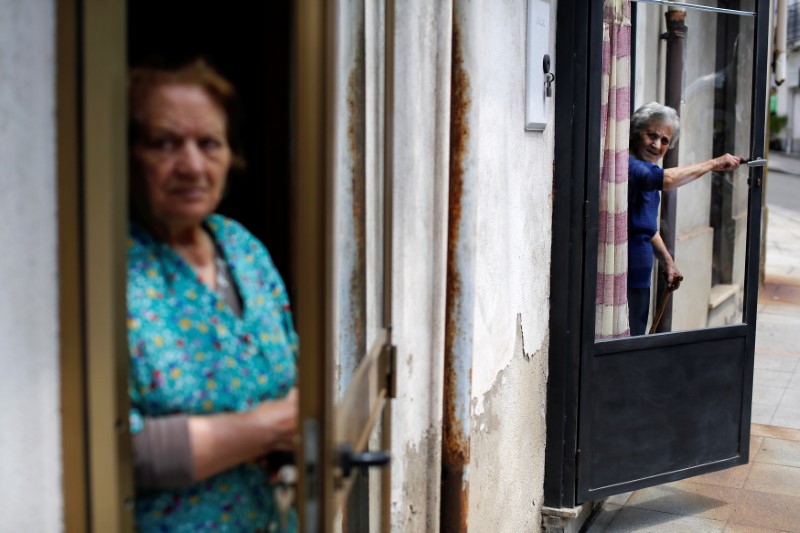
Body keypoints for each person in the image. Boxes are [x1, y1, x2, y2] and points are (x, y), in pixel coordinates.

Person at [127, 59, 298, 531]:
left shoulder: (240, 246)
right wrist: (269, 428)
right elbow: (119, 450)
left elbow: (294, 372)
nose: (192, 165)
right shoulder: (107, 271)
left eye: (209, 143)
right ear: (127, 153)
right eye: (165, 143)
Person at [627, 102, 743, 336]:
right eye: (651, 135)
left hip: (639, 278)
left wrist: (668, 262)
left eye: (665, 141)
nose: (657, 145)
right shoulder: (629, 166)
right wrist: (714, 163)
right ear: (634, 132)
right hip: (620, 278)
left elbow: (647, 227)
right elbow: (668, 180)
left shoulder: (648, 172)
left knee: (634, 340)